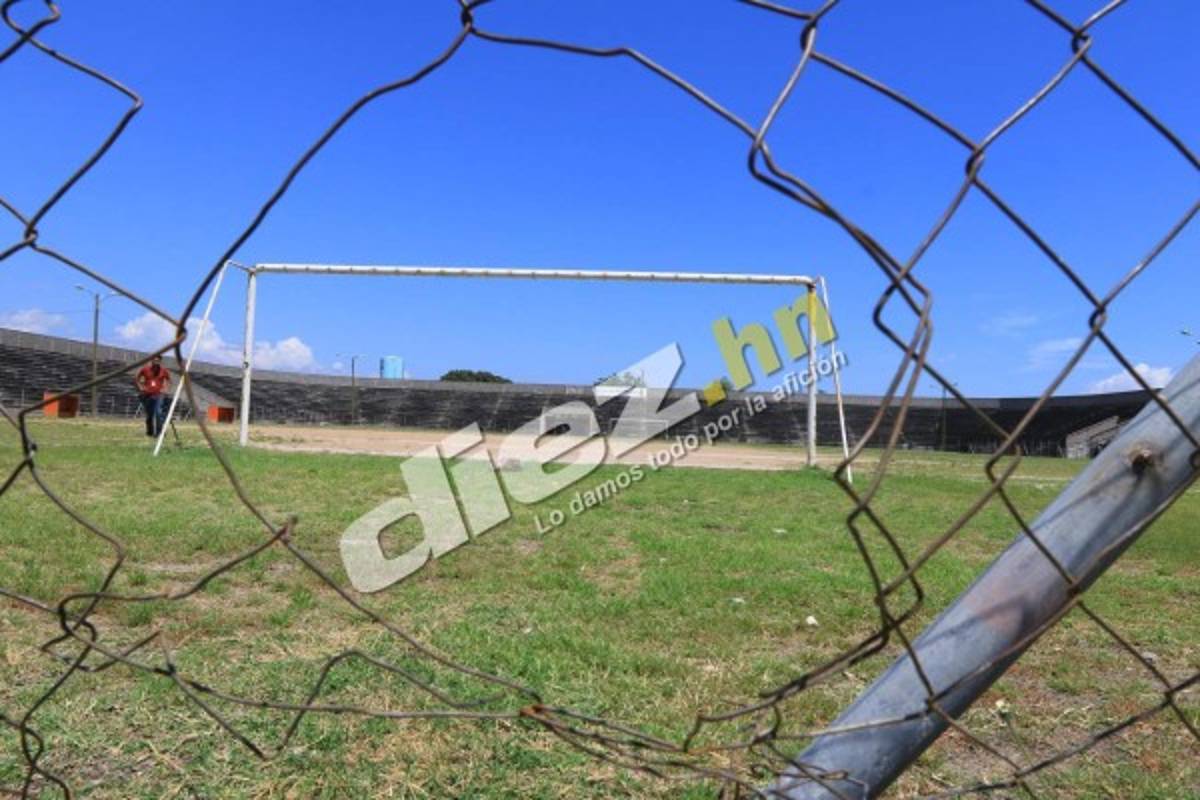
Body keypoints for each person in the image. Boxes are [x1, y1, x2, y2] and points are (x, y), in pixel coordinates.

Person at [135, 355, 171, 438]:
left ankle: (159, 433)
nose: (156, 362)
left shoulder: (163, 371)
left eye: (158, 360)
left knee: (158, 413)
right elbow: (137, 378)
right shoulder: (145, 369)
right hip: (148, 395)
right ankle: (150, 432)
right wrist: (141, 387)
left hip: (159, 395)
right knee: (149, 415)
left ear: (160, 361)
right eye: (154, 360)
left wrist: (165, 389)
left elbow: (169, 381)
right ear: (151, 361)